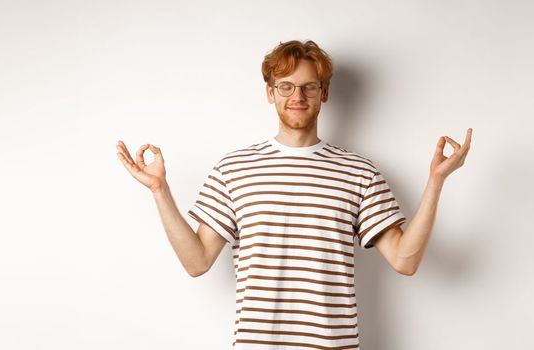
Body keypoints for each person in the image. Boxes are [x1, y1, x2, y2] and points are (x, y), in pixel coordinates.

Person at [115, 39, 472, 349]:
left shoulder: (360, 172)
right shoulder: (233, 168)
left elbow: (405, 260)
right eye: (285, 86)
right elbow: (197, 261)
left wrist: (436, 180)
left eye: (309, 87)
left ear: (325, 92)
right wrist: (159, 190)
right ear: (270, 93)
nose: (297, 96)